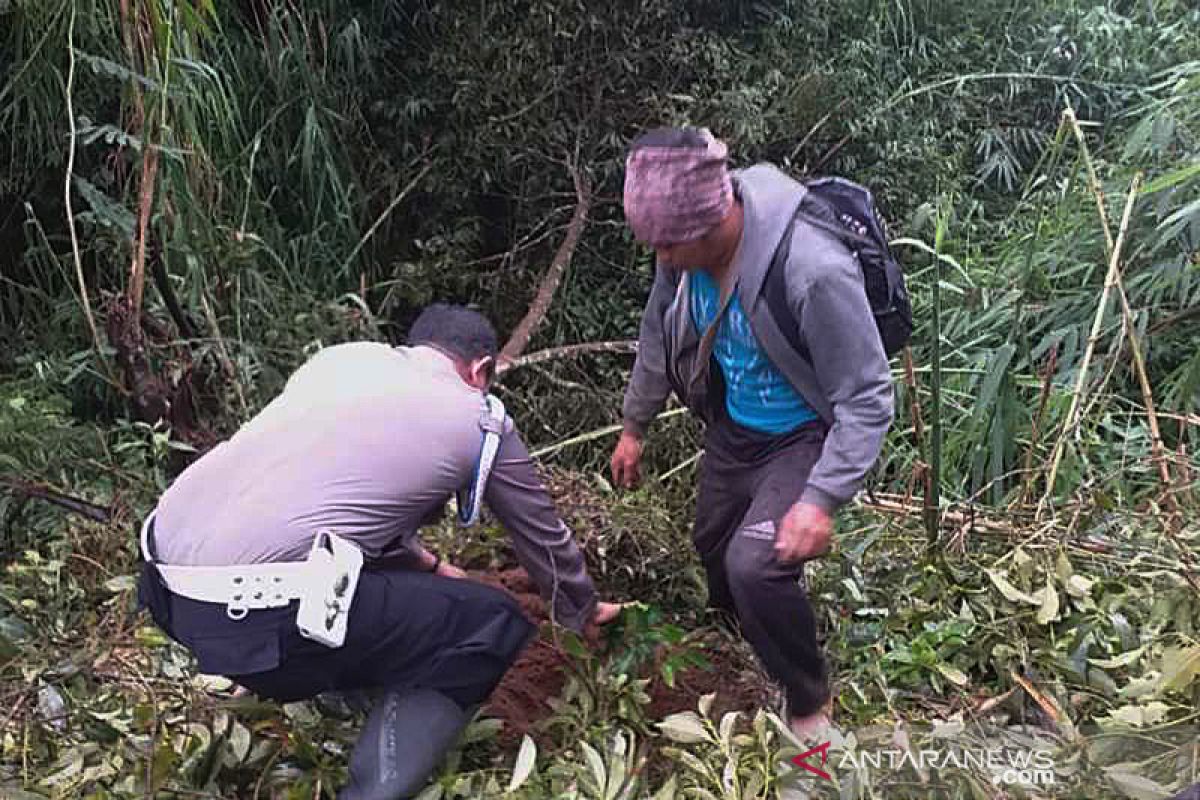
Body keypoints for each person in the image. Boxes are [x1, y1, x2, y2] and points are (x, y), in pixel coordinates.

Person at [137, 303, 621, 799]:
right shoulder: (481, 419)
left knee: (373, 592)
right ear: (481, 370)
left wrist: (431, 566)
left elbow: (335, 502)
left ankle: (330, 692)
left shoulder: (343, 362)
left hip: (160, 584)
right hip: (254, 617)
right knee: (493, 619)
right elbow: (541, 534)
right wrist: (579, 608)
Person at [610, 127, 894, 738]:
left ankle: (808, 700)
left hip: (802, 434)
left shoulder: (812, 269)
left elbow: (868, 395)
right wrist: (634, 426)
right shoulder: (681, 256)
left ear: (709, 227)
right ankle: (741, 648)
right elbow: (658, 337)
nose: (659, 260)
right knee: (712, 544)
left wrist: (820, 500)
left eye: (665, 246)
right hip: (735, 429)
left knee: (755, 563)